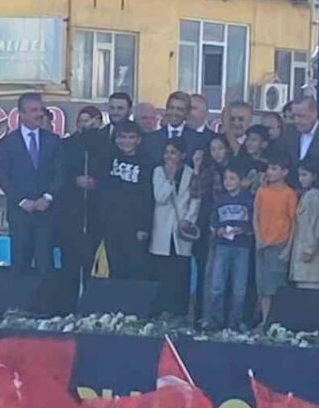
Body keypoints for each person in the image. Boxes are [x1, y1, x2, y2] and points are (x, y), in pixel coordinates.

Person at [0, 93, 61, 274]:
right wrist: (22, 201)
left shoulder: (53, 141)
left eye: (40, 110)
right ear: (21, 114)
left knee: (45, 264)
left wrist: (47, 197)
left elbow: (60, 174)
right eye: (33, 110)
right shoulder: (8, 143)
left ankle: (46, 294)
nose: (39, 114)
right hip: (20, 214)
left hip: (45, 213)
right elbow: (3, 177)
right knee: (20, 264)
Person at [59, 106, 111, 289]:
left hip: (96, 212)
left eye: (87, 121)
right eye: (80, 121)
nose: (83, 125)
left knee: (93, 261)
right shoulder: (66, 145)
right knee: (70, 260)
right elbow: (59, 174)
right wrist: (75, 180)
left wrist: (97, 183)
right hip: (72, 212)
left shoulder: (106, 145)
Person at [99, 121, 153, 281]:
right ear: (116, 138)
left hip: (135, 226)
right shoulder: (107, 159)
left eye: (131, 137)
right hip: (111, 224)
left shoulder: (146, 163)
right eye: (122, 137)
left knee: (135, 269)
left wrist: (144, 226)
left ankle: (132, 298)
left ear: (139, 140)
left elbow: (148, 197)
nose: (126, 141)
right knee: (114, 268)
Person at [150, 140, 198, 316]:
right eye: (167, 152)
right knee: (161, 272)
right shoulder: (158, 172)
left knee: (180, 273)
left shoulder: (190, 173)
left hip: (181, 229)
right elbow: (160, 197)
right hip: (162, 229)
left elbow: (195, 200)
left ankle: (179, 313)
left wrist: (188, 220)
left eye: (173, 153)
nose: (169, 156)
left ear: (182, 155)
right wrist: (170, 179)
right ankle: (159, 312)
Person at [204, 166, 253, 330]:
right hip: (222, 246)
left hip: (242, 247)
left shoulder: (248, 200)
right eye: (226, 179)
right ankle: (215, 321)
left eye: (232, 179)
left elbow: (253, 223)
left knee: (239, 288)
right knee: (217, 285)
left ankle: (235, 322)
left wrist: (242, 230)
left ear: (241, 181)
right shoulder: (219, 200)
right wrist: (218, 231)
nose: (228, 182)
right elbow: (213, 223)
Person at [191, 134, 232, 322]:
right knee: (205, 271)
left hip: (229, 224)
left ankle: (224, 316)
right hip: (207, 223)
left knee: (228, 272)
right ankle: (202, 314)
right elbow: (195, 191)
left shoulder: (233, 170)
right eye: (213, 149)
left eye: (220, 148)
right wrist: (197, 167)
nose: (217, 153)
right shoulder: (208, 170)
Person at [253, 156, 297, 325]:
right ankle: (266, 322)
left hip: (279, 244)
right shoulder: (261, 191)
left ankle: (278, 322)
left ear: (284, 172)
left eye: (274, 169)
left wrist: (287, 249)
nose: (269, 172)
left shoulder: (289, 194)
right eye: (269, 168)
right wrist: (258, 238)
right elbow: (256, 216)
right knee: (263, 287)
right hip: (262, 245)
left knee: (277, 286)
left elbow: (293, 223)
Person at [291, 159, 319, 290]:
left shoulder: (316, 195)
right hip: (304, 251)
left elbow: (316, 224)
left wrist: (309, 249)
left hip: (311, 254)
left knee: (310, 291)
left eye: (305, 175)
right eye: (299, 175)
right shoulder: (308, 194)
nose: (301, 179)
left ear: (315, 176)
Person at [281, 96, 319, 178]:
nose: (296, 120)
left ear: (314, 113)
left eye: (301, 116)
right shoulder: (289, 132)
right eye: (294, 116)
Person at [143, 91, 192, 163]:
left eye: (179, 109)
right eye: (171, 108)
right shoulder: (150, 139)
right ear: (166, 109)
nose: (174, 113)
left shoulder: (197, 140)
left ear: (187, 112)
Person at [231, 124, 271, 191]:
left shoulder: (269, 166)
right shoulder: (238, 162)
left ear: (264, 144)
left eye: (254, 140)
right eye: (247, 139)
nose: (249, 143)